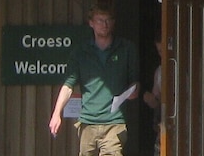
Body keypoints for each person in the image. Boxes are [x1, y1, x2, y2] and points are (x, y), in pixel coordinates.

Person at [49, 8, 140, 156]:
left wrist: (133, 91)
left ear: (113, 22)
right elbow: (68, 84)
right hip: (88, 121)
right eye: (99, 20)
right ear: (91, 23)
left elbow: (135, 81)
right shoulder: (80, 52)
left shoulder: (126, 48)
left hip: (114, 121)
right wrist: (56, 113)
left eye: (108, 20)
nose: (104, 24)